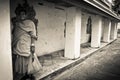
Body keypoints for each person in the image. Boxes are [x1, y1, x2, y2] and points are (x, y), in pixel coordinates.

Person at [12, 9, 38, 80]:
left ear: (26, 15)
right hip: (19, 45)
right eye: (20, 14)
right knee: (21, 61)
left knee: (29, 60)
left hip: (27, 45)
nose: (22, 15)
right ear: (19, 15)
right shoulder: (17, 24)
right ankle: (24, 75)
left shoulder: (30, 23)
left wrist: (32, 45)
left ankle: (30, 74)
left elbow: (33, 35)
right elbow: (15, 34)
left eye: (23, 14)